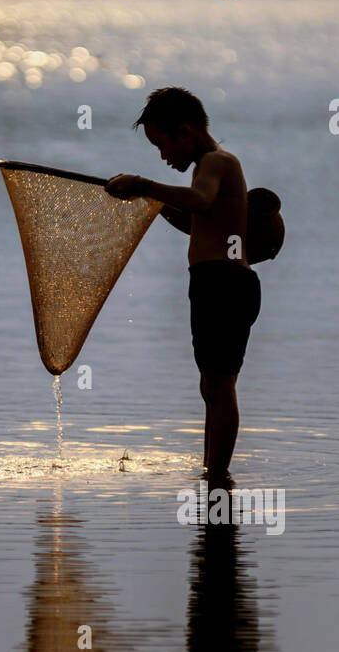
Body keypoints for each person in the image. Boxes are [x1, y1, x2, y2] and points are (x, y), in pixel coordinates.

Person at [105, 87, 260, 477]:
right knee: (211, 387)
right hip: (214, 283)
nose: (163, 156)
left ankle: (218, 475)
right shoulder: (205, 168)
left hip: (225, 285)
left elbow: (202, 200)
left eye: (163, 145)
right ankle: (212, 472)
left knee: (220, 387)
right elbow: (196, 220)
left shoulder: (216, 162)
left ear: (186, 132)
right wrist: (155, 207)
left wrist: (143, 185)